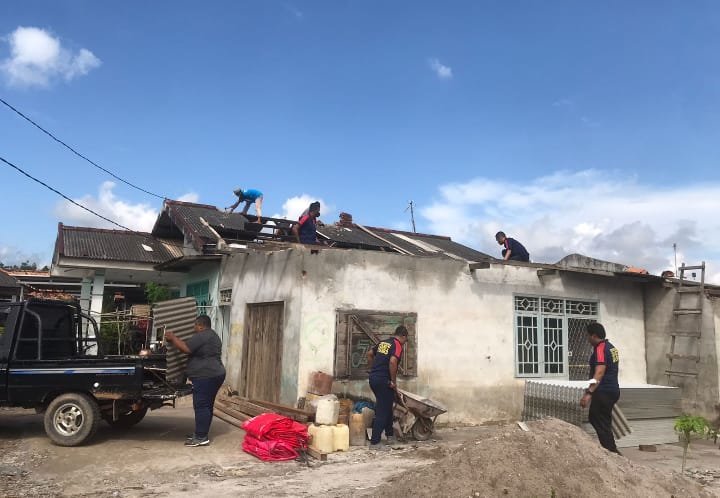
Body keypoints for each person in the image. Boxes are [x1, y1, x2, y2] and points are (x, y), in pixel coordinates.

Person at [164, 315, 226, 447]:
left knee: (201, 405)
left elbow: (186, 348)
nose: (194, 328)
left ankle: (201, 437)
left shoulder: (202, 335)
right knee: (207, 405)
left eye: (195, 326)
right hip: (215, 374)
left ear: (200, 326)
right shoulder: (213, 335)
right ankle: (201, 433)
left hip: (206, 376)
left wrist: (173, 338)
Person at [580, 322, 621, 454]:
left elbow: (599, 372)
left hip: (604, 390)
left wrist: (589, 393)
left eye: (588, 336)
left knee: (595, 417)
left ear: (594, 336)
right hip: (612, 389)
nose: (587, 339)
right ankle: (611, 449)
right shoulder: (611, 347)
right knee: (604, 421)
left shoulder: (600, 348)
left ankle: (611, 451)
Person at [366, 326, 409, 450]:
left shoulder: (383, 343)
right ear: (403, 336)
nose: (405, 343)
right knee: (383, 410)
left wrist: (372, 369)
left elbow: (369, 354)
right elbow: (392, 362)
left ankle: (390, 436)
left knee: (387, 406)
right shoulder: (397, 345)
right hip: (384, 381)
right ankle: (375, 442)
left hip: (374, 379)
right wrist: (393, 382)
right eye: (405, 340)